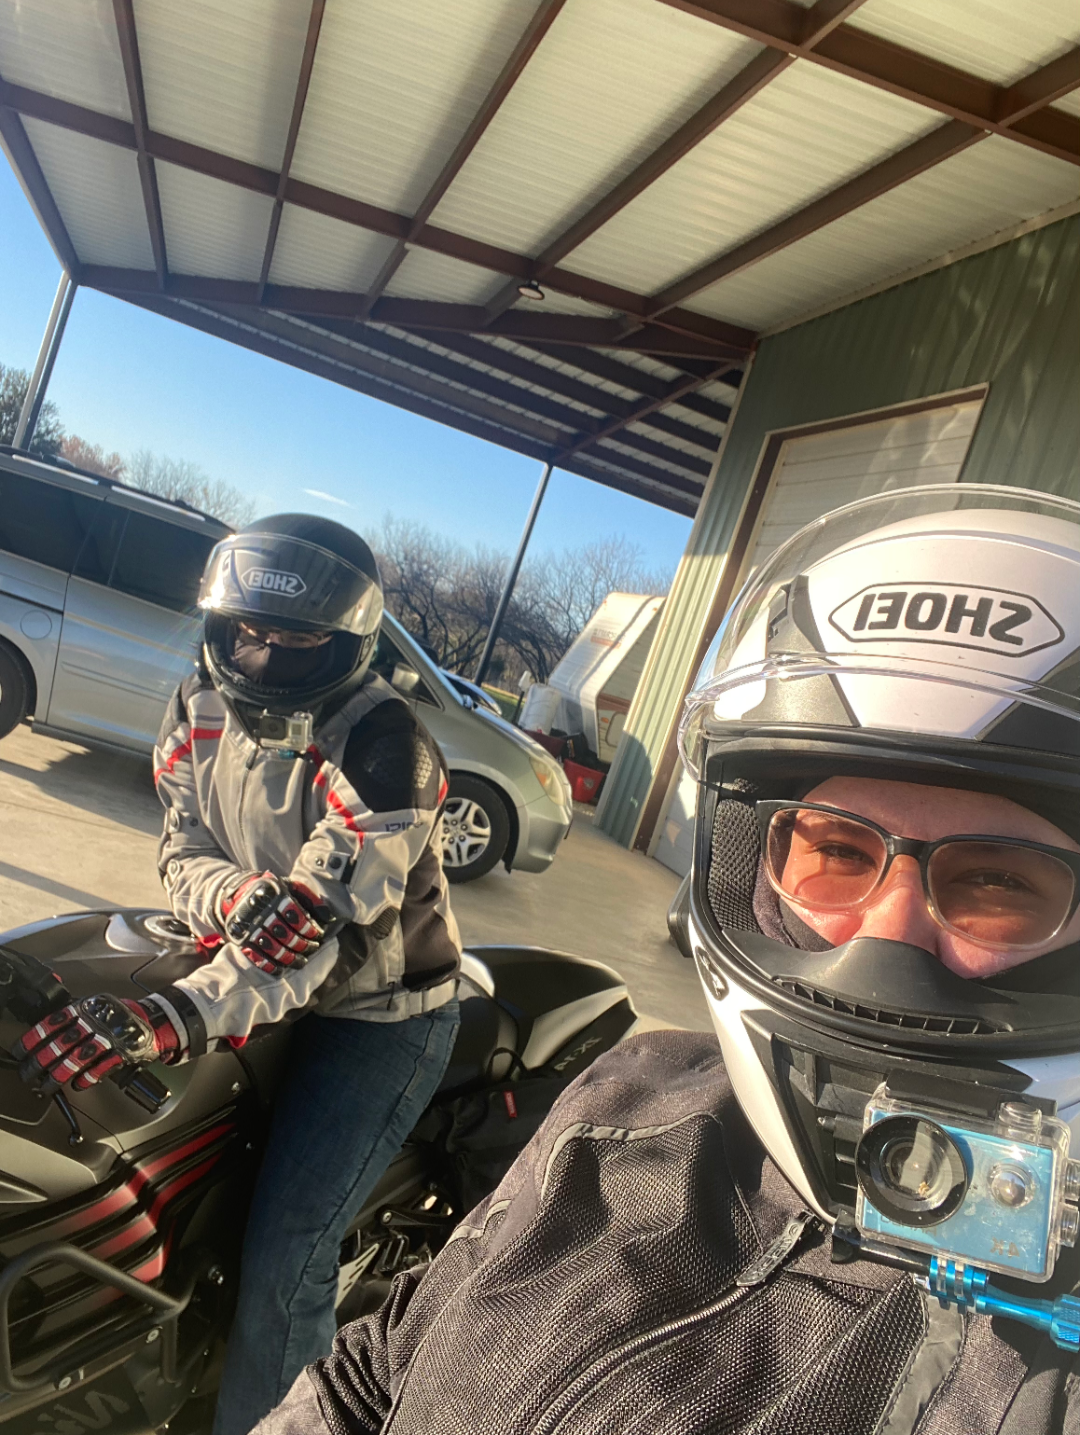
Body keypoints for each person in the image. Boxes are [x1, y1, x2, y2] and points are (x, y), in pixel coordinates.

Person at [251, 486, 1080, 1435]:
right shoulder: (632, 1098)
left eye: (998, 882)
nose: (883, 937)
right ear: (752, 873)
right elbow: (373, 1373)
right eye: (837, 851)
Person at [13, 514, 462, 1435]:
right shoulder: (196, 703)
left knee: (287, 1257)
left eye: (295, 639)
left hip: (379, 1010)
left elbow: (322, 936)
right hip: (243, 960)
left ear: (346, 641)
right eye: (247, 631)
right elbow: (181, 848)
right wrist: (236, 896)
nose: (261, 656)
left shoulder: (390, 748)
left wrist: (170, 1014)